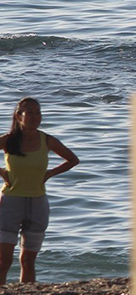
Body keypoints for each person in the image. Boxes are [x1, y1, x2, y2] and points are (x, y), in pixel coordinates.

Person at [0, 97, 80, 283]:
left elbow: (73, 160)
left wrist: (49, 174)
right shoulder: (9, 140)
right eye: (31, 112)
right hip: (10, 203)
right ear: (19, 116)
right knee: (4, 261)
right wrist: (2, 173)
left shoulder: (47, 140)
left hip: (38, 204)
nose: (36, 117)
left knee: (28, 260)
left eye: (39, 112)